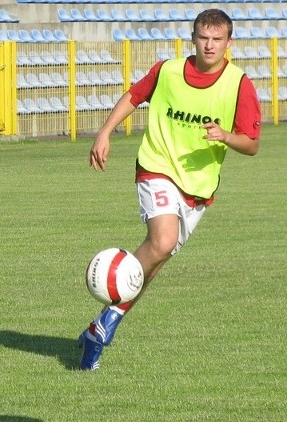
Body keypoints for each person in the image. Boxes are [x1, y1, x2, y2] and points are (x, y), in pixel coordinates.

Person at [79, 9, 261, 370]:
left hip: (197, 189)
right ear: (193, 37)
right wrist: (104, 132)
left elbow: (252, 144)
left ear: (229, 42)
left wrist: (226, 136)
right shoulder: (168, 70)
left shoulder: (239, 84)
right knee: (161, 241)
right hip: (156, 167)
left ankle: (101, 327)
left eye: (217, 39)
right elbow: (133, 95)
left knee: (155, 261)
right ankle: (105, 324)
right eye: (203, 37)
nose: (209, 45)